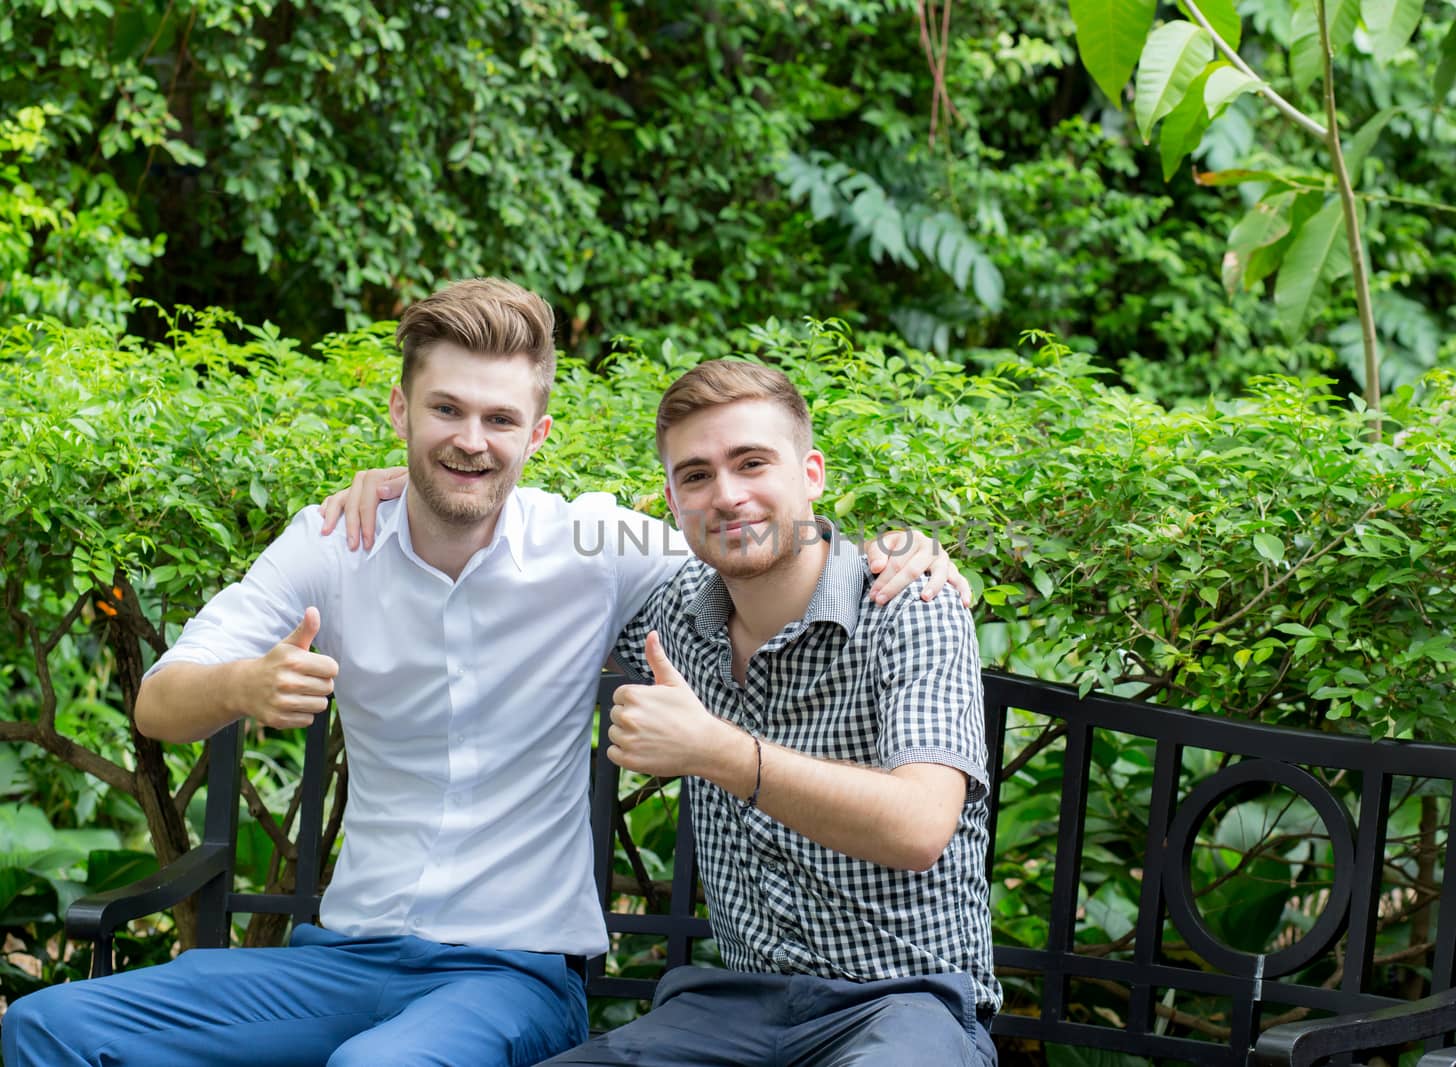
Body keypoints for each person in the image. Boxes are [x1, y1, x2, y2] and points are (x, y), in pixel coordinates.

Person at [0, 280, 956, 1067]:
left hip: (511, 973)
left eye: (501, 418)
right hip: (340, 958)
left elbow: (758, 538)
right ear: (400, 411)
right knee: (47, 1026)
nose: (470, 439)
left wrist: (913, 550)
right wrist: (243, 688)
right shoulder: (333, 542)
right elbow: (159, 702)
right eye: (446, 409)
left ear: (537, 436)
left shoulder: (593, 544)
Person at [547, 360, 999, 1066]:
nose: (727, 495)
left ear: (811, 473)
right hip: (732, 1007)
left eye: (752, 462)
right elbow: (516, 537)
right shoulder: (673, 619)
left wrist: (717, 750)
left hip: (905, 1004)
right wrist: (400, 486)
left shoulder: (908, 606)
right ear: (671, 501)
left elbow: (920, 826)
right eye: (696, 476)